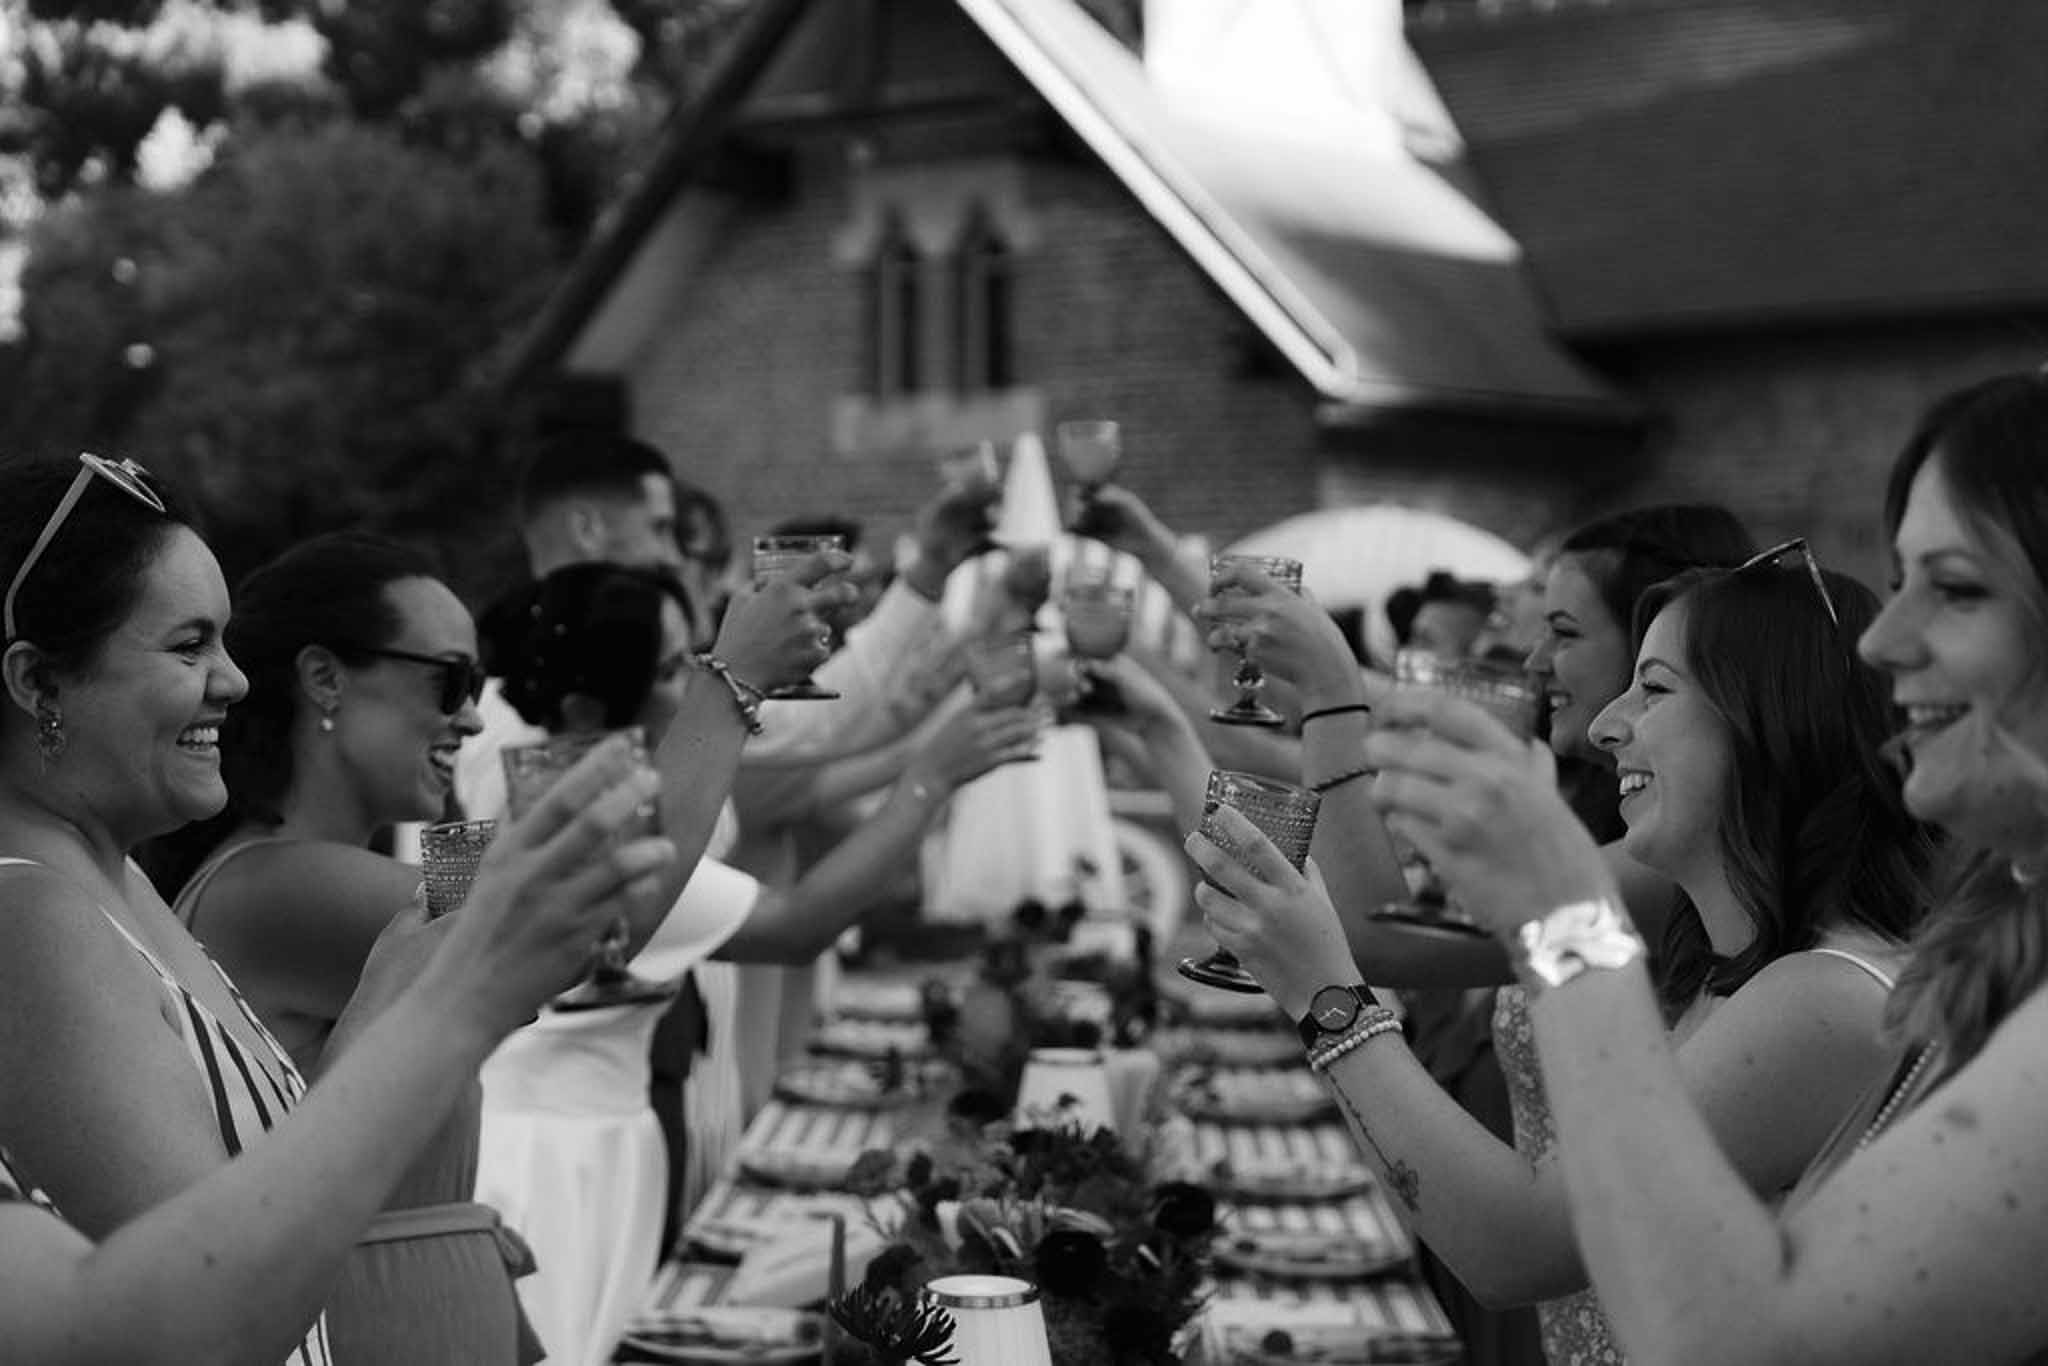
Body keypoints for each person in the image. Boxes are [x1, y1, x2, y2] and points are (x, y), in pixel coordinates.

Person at [1343, 371, 2048, 1365]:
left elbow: (1730, 1337)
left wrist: (1559, 914)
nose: (1884, 643)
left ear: (1766, 724)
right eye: (1895, 586)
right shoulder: (1988, 957)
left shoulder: (1836, 989)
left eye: (1957, 587)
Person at [1195, 545, 1936, 1365]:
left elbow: (1514, 1249)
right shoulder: (1720, 953)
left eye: (1653, 690)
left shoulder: (1825, 999)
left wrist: (1325, 991)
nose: (1608, 725)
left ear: (1774, 722)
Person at [167, 530, 831, 1362]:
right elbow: (590, 920)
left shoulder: (365, 866)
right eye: (448, 682)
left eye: (479, 684)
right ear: (324, 678)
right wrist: (730, 683)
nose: (474, 715)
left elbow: (531, 877)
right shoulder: (277, 885)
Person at [471, 563, 1036, 1366]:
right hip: (546, 1174)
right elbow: (798, 923)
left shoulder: (595, 809)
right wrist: (930, 778)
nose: (692, 688)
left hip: (609, 1146)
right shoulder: (588, 838)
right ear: (589, 708)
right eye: (676, 670)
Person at [0, 733, 675, 1366]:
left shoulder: (115, 884)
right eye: (188, 645)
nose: (467, 715)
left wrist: (399, 1004)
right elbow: (201, 1305)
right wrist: (732, 681)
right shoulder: (49, 910)